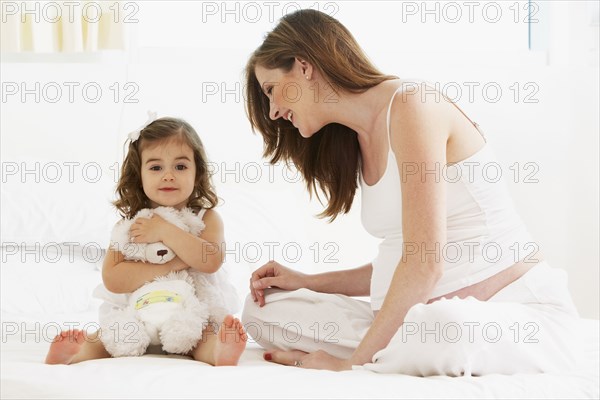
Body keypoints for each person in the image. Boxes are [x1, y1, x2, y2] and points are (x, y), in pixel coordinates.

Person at [241, 9, 581, 375]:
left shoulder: (412, 105)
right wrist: (308, 282)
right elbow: (399, 260)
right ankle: (390, 347)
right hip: (413, 320)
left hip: (510, 314)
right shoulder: (358, 139)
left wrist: (349, 366)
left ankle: (381, 351)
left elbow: (424, 263)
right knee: (264, 310)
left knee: (442, 328)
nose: (274, 111)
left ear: (304, 67)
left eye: (271, 91)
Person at [45, 116, 247, 366]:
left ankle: (218, 351)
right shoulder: (128, 226)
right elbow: (113, 279)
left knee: (204, 335)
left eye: (181, 167)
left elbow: (211, 259)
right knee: (110, 336)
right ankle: (77, 352)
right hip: (138, 314)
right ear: (138, 175)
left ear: (198, 172)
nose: (169, 176)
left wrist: (164, 230)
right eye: (155, 167)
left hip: (189, 316)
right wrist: (169, 266)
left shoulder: (207, 218)